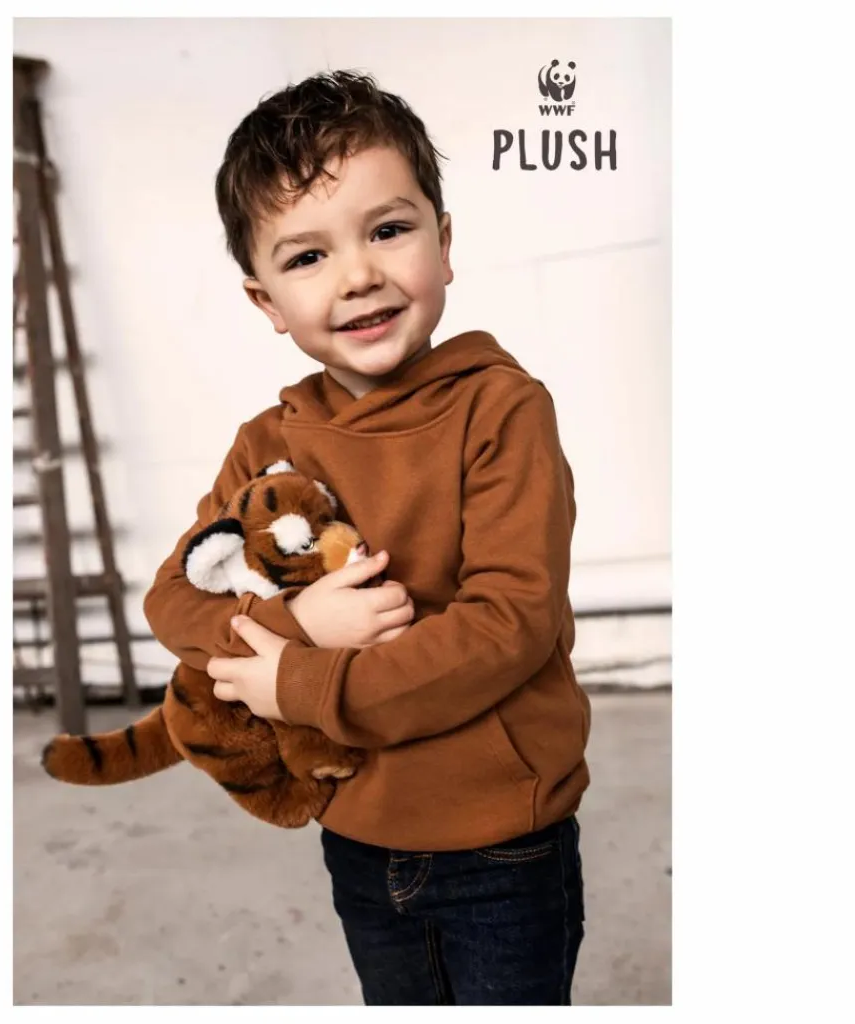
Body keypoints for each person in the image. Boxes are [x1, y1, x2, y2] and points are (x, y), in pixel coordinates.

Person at [143, 68, 589, 1006]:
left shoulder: (501, 409)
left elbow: (509, 623)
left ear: (443, 243)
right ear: (266, 301)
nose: (358, 276)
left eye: (388, 231)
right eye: (308, 256)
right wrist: (296, 626)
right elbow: (173, 600)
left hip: (502, 843)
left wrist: (300, 685)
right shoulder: (266, 444)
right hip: (355, 833)